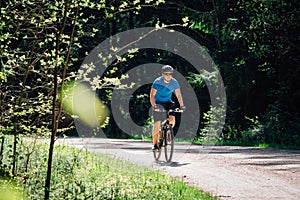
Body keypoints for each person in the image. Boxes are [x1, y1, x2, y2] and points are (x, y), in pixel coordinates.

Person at [150, 65, 185, 151]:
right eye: (166, 74)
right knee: (157, 123)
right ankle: (155, 145)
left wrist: (182, 106)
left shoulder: (174, 82)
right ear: (162, 74)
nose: (168, 76)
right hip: (157, 103)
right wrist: (154, 106)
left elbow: (178, 95)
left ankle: (168, 131)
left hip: (168, 102)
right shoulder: (157, 82)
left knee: (172, 119)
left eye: (170, 74)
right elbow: (152, 95)